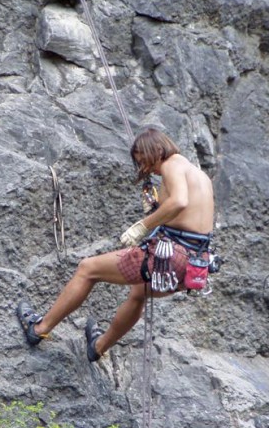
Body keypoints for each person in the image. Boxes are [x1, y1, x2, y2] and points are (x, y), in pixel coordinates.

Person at [17, 128, 215, 361]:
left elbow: (180, 201)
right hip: (194, 265)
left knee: (87, 269)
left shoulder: (172, 164)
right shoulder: (199, 175)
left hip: (170, 257)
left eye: (146, 162)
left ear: (158, 150)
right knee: (138, 294)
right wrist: (156, 208)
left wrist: (142, 225)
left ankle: (39, 329)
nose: (147, 169)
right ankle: (98, 347)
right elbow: (185, 218)